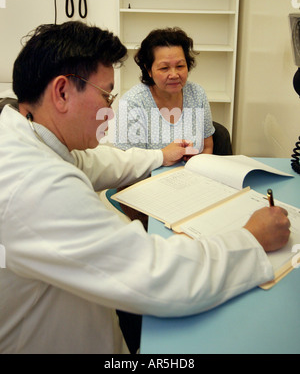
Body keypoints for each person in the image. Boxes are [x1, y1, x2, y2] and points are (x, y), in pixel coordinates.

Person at [0, 21, 290, 354]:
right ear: (63, 92)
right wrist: (251, 239)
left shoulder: (31, 138)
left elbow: (100, 163)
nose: (109, 110)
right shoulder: (35, 186)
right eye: (106, 94)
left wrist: (160, 155)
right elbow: (157, 275)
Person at [115, 27, 214, 153]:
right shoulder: (132, 103)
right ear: (149, 70)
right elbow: (129, 162)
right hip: (151, 173)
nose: (174, 74)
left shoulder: (197, 94)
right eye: (164, 68)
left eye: (180, 66)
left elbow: (207, 146)